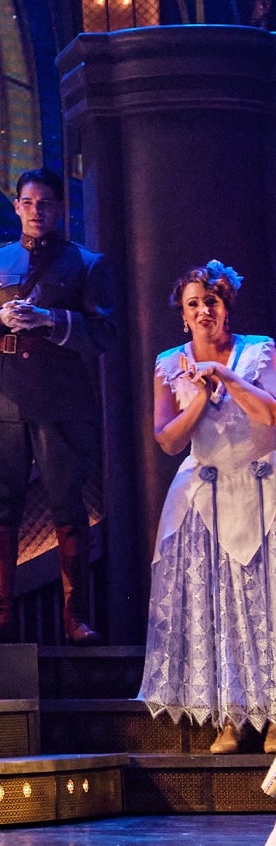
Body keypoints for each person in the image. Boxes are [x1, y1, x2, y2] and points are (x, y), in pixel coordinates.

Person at [0, 168, 115, 644]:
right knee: (2, 505)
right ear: (17, 206)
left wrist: (50, 319)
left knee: (67, 504)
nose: (37, 211)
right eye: (28, 202)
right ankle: (0, 618)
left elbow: (105, 333)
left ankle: (74, 618)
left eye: (46, 203)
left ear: (59, 208)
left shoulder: (86, 264)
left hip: (61, 394)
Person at [140, 261, 276, 754]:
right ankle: (232, 717)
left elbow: (271, 415)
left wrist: (224, 375)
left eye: (211, 301)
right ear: (182, 313)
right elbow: (168, 440)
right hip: (206, 495)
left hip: (264, 488)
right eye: (193, 303)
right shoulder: (168, 363)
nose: (203, 310)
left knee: (268, 604)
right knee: (217, 607)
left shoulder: (259, 350)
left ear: (226, 306)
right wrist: (199, 398)